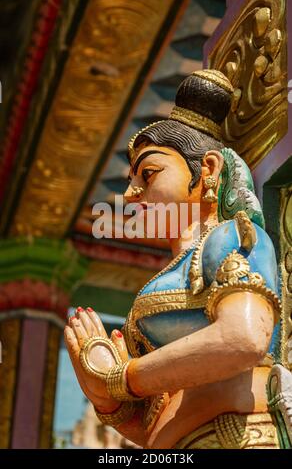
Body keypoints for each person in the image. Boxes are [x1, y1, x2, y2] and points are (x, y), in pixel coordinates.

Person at [64, 70, 283, 449]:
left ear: (208, 171)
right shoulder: (171, 272)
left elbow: (244, 338)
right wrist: (103, 394)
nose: (132, 194)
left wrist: (123, 377)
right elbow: (154, 417)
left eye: (148, 174)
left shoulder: (230, 239)